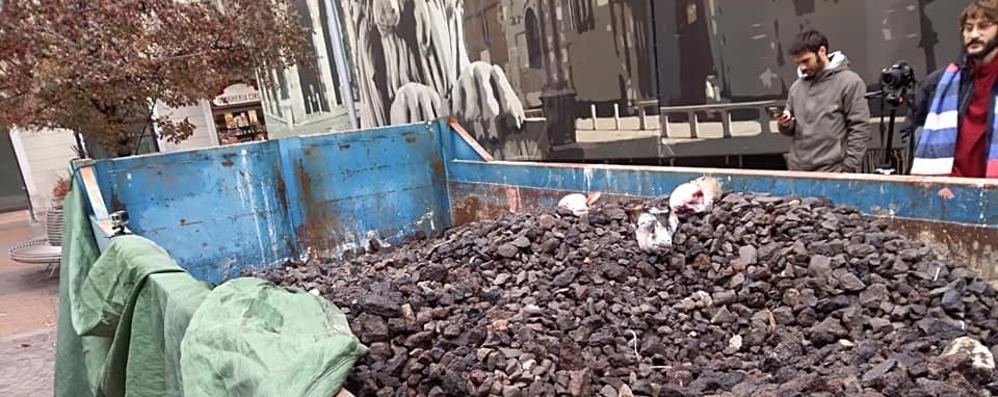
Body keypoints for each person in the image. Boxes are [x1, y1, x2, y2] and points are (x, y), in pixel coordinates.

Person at [906, 0, 998, 178]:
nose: (974, 34)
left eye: (983, 26)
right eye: (968, 28)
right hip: (948, 195)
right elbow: (911, 129)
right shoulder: (937, 83)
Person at [777, 30, 871, 173]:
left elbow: (860, 128)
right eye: (798, 62)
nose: (802, 67)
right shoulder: (796, 87)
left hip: (833, 171)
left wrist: (848, 168)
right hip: (797, 171)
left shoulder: (850, 82)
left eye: (806, 61)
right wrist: (785, 124)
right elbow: (791, 129)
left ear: (822, 51)